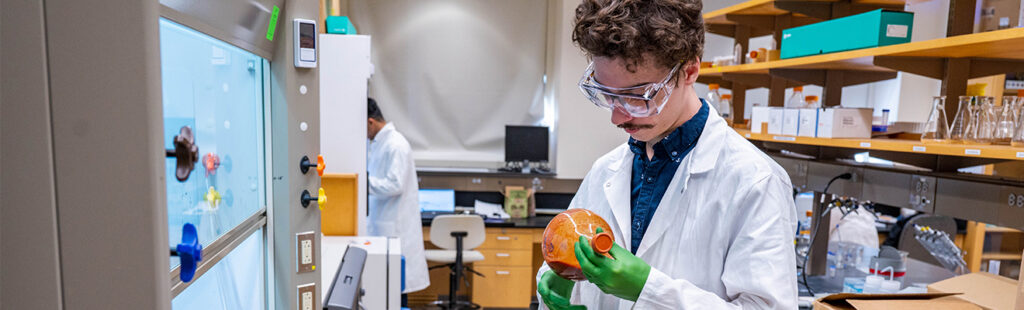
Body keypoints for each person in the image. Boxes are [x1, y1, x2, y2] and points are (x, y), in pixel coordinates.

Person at [535, 0, 798, 309]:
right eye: (607, 94)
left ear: (689, 71)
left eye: (636, 97)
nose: (617, 118)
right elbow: (569, 253)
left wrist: (649, 290)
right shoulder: (606, 170)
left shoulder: (755, 181)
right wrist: (555, 278)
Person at [366, 98, 429, 294]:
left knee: (395, 290)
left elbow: (394, 185)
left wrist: (363, 183)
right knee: (388, 288)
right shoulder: (380, 143)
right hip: (384, 223)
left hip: (395, 227)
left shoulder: (395, 145)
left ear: (370, 122)